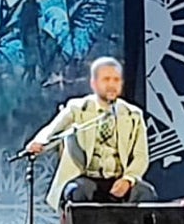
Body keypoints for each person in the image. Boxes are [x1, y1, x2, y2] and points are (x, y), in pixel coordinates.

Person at [25, 57, 156, 210]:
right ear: (94, 83)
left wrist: (128, 179)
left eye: (116, 80)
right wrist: (39, 142)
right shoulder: (78, 108)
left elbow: (141, 156)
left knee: (145, 193)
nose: (111, 85)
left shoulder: (133, 114)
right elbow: (53, 129)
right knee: (77, 192)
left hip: (119, 179)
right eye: (106, 80)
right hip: (87, 178)